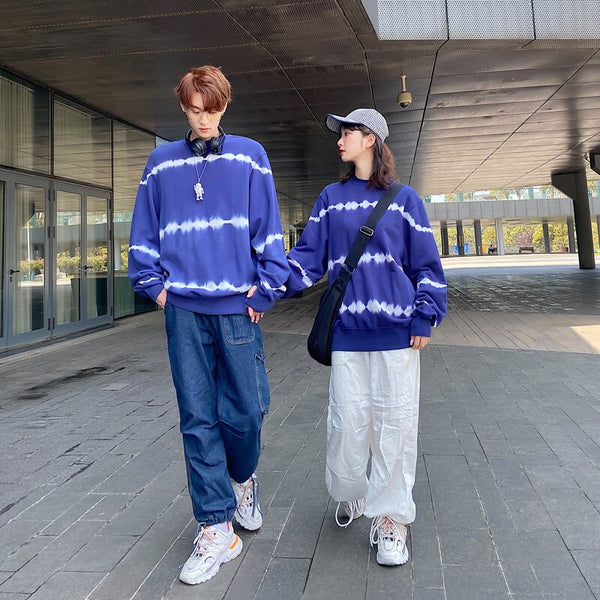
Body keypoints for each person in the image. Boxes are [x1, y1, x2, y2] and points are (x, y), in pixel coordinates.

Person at [128, 65, 289, 585]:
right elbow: (144, 229)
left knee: (247, 411)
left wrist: (266, 288)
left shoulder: (249, 156)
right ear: (183, 107)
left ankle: (243, 480)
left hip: (237, 307)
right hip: (183, 310)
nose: (204, 119)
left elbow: (268, 226)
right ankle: (216, 526)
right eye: (196, 110)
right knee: (197, 416)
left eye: (213, 109)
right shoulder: (160, 163)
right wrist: (155, 287)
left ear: (225, 105)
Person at [284, 109, 447, 566]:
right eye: (340, 133)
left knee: (395, 426)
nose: (340, 139)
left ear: (371, 138)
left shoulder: (405, 199)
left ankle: (391, 519)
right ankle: (354, 493)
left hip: (397, 334)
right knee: (347, 423)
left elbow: (426, 265)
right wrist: (265, 282)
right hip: (347, 334)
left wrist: (424, 316)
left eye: (348, 132)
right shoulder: (330, 198)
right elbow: (307, 259)